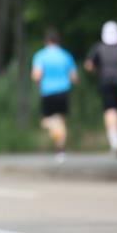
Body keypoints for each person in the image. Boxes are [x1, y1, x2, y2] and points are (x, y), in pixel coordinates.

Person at [31, 28, 78, 163]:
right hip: (63, 92)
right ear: (58, 41)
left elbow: (36, 76)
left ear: (46, 41)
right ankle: (60, 149)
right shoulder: (66, 55)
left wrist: (38, 84)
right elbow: (74, 77)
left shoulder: (40, 55)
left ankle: (60, 148)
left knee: (47, 121)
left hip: (47, 92)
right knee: (61, 121)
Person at [85, 21, 117, 156]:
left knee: (110, 111)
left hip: (106, 82)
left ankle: (115, 140)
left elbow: (89, 65)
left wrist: (96, 70)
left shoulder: (98, 48)